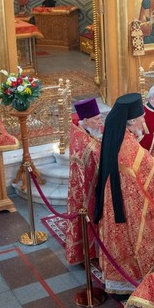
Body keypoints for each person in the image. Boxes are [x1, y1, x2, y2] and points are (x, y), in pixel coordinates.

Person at [93, 93, 154, 295]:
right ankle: (131, 278)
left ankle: (116, 280)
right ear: (132, 121)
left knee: (116, 237)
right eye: (141, 117)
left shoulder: (115, 134)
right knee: (131, 235)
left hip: (114, 196)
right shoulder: (128, 144)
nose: (144, 121)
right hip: (126, 201)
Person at [64, 97, 103, 265]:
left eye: (100, 118)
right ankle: (87, 251)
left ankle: (94, 249)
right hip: (84, 188)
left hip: (91, 183)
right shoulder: (81, 138)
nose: (100, 122)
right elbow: (95, 155)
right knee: (88, 216)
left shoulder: (86, 130)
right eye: (97, 119)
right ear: (86, 121)